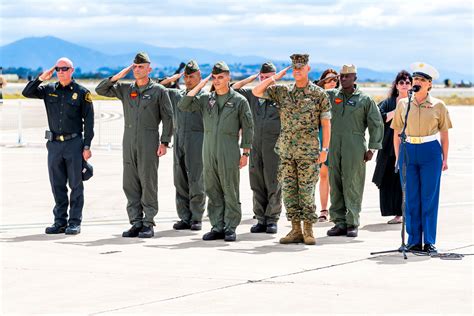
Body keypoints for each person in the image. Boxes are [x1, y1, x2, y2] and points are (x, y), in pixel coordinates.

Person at [252, 54, 331, 245]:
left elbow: (326, 124)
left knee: (306, 191)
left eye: (300, 68)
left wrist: (325, 149)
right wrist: (274, 77)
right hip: (286, 151)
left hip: (308, 151)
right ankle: (295, 230)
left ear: (308, 69)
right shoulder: (283, 91)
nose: (297, 71)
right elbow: (256, 91)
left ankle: (308, 230)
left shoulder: (319, 94)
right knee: (289, 191)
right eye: (294, 68)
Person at [95, 52, 173, 238]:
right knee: (130, 183)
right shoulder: (126, 89)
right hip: (129, 141)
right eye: (135, 66)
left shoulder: (158, 91)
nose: (137, 70)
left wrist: (164, 141)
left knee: (148, 182)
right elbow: (101, 90)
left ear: (149, 69)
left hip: (149, 141)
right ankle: (136, 222)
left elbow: (168, 118)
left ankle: (148, 222)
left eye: (141, 66)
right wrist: (118, 76)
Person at [178, 61, 254, 242]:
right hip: (209, 149)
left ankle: (230, 227)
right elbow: (183, 104)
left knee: (230, 189)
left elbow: (248, 127)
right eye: (215, 77)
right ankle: (217, 226)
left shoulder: (239, 101)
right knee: (212, 190)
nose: (218, 80)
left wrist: (246, 153)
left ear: (228, 77)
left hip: (229, 150)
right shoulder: (206, 99)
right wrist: (200, 86)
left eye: (221, 77)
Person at [22, 57, 94, 235]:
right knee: (57, 184)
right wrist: (41, 78)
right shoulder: (48, 90)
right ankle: (60, 221)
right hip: (54, 145)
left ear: (72, 70)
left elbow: (89, 122)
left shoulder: (82, 92)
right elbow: (27, 92)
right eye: (58, 69)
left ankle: (74, 222)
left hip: (74, 144)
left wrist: (87, 146)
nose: (60, 72)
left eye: (64, 68)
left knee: (76, 184)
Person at [391, 62, 452, 254]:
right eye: (415, 79)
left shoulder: (438, 105)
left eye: (421, 80)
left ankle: (430, 241)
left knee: (429, 198)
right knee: (410, 198)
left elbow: (444, 135)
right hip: (408, 151)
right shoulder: (403, 104)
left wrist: (445, 158)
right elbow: (397, 132)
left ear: (429, 85)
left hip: (430, 152)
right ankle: (414, 240)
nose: (416, 82)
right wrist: (397, 157)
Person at [325, 64, 383, 238]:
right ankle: (339, 222)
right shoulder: (332, 95)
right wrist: (327, 80)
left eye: (347, 76)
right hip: (334, 144)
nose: (343, 79)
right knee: (335, 184)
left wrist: (372, 149)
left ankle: (352, 222)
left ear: (355, 78)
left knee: (353, 183)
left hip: (355, 144)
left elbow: (376, 124)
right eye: (341, 76)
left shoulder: (365, 99)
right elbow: (315, 91)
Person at [231, 62, 282, 234]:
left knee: (273, 183)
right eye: (264, 77)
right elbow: (234, 89)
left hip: (274, 147)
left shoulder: (281, 95)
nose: (267, 81)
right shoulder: (252, 95)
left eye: (270, 77)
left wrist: (272, 81)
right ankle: (260, 219)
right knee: (257, 183)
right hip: (254, 146)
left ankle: (272, 219)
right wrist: (252, 78)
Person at [160, 61, 206, 231]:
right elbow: (157, 88)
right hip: (179, 139)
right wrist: (172, 78)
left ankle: (196, 217)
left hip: (197, 141)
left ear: (199, 77)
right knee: (179, 180)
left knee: (196, 180)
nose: (188, 79)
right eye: (186, 76)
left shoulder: (205, 98)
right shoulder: (177, 95)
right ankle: (184, 217)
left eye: (191, 76)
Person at [372, 71, 412, 224]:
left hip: (409, 145)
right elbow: (378, 118)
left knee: (406, 180)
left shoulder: (415, 102)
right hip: (388, 145)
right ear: (396, 85)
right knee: (389, 179)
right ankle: (396, 213)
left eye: (408, 82)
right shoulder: (388, 102)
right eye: (401, 82)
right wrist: (398, 110)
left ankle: (405, 212)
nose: (405, 85)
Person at [314, 69, 339, 222]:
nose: (332, 83)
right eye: (328, 80)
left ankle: (338, 210)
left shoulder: (341, 97)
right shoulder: (317, 97)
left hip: (338, 139)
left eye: (334, 80)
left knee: (337, 177)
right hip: (322, 138)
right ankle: (323, 210)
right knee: (323, 176)